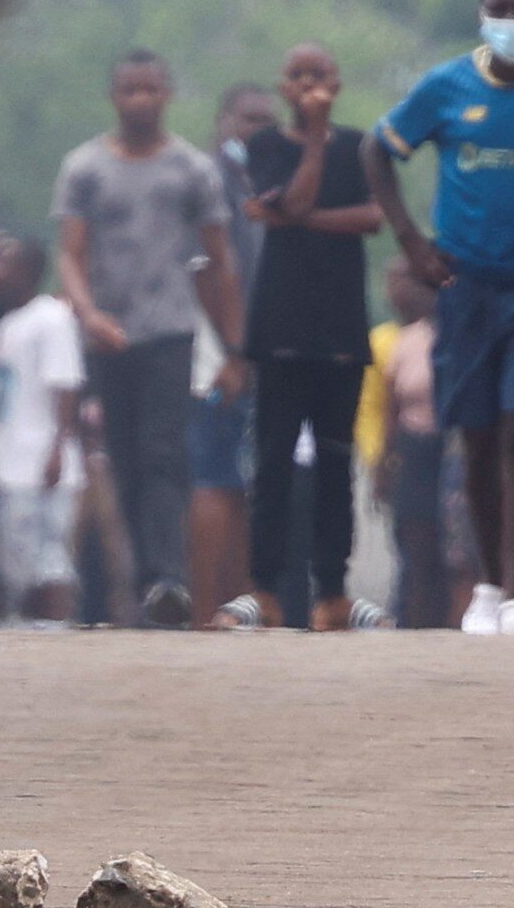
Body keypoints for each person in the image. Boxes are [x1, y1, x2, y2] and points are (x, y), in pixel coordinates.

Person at [361, 0, 514, 634]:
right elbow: (378, 150)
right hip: (466, 288)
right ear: (484, 13)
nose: (512, 21)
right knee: (477, 438)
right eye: (500, 9)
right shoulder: (447, 87)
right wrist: (412, 243)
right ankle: (484, 585)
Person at [53, 49, 249, 627]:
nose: (140, 99)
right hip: (109, 335)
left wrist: (233, 349)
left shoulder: (192, 169)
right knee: (128, 458)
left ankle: (169, 577)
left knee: (165, 451)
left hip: (170, 328)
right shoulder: (85, 167)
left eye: (150, 89)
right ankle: (146, 581)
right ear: (115, 96)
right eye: (129, 90)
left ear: (167, 94)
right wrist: (88, 313)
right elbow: (71, 252)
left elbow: (221, 261)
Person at [213, 43, 388, 630]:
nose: (310, 84)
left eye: (321, 75)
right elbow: (291, 196)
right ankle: (264, 590)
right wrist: (313, 142)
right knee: (273, 461)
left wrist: (296, 218)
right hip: (280, 325)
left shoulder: (361, 146)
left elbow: (373, 217)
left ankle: (333, 593)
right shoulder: (264, 146)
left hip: (340, 326)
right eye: (299, 76)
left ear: (336, 83)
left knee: (337, 465)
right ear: (284, 87)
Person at [190, 82, 278, 624]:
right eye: (248, 119)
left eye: (267, 120)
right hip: (216, 351)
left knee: (249, 482)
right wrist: (233, 351)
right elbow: (206, 272)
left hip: (256, 349)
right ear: (224, 121)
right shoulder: (209, 178)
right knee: (216, 476)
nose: (257, 131)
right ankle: (205, 610)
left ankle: (244, 604)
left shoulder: (266, 182)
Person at [0, 235, 85, 624]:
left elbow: (65, 384)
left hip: (44, 460)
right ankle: (22, 627)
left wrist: (59, 447)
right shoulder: (8, 323)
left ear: (27, 271)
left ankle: (55, 627)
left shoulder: (52, 318)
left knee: (51, 554)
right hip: (11, 460)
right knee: (14, 555)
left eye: (3, 263)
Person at [372, 258, 451, 628]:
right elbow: (391, 408)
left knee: (452, 551)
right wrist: (383, 466)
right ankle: (415, 627)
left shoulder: (461, 334)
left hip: (453, 451)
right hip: (414, 449)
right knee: (416, 544)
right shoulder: (407, 342)